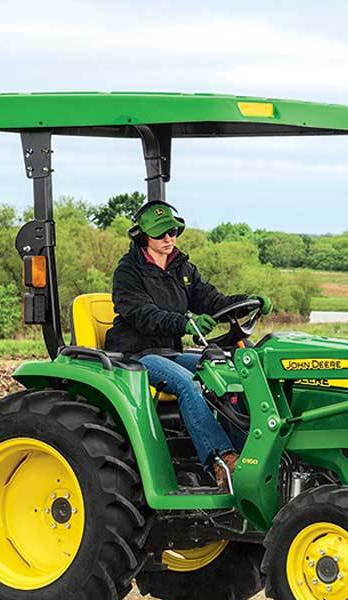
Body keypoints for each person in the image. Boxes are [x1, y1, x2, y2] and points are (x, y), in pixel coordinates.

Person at [105, 201, 273, 491]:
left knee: (230, 374)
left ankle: (248, 454)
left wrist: (248, 300)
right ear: (142, 236)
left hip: (170, 351)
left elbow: (212, 300)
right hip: (136, 354)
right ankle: (222, 460)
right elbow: (142, 315)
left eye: (173, 231)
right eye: (161, 234)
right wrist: (182, 323)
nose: (169, 239)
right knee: (188, 384)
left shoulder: (182, 267)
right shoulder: (128, 272)